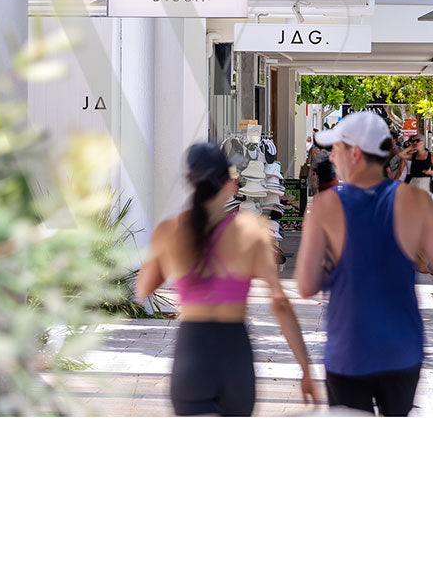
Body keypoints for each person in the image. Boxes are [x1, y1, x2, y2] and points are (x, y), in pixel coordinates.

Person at [294, 111, 433, 416]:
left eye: (336, 149)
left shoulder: (325, 207)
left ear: (354, 153)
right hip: (402, 351)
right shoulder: (418, 202)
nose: (332, 157)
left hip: (349, 350)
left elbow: (305, 286)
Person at [136, 142, 319, 416]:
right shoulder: (250, 231)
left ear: (190, 181)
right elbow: (280, 303)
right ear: (228, 184)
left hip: (192, 354)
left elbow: (143, 289)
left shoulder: (170, 231)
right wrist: (305, 367)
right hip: (235, 355)